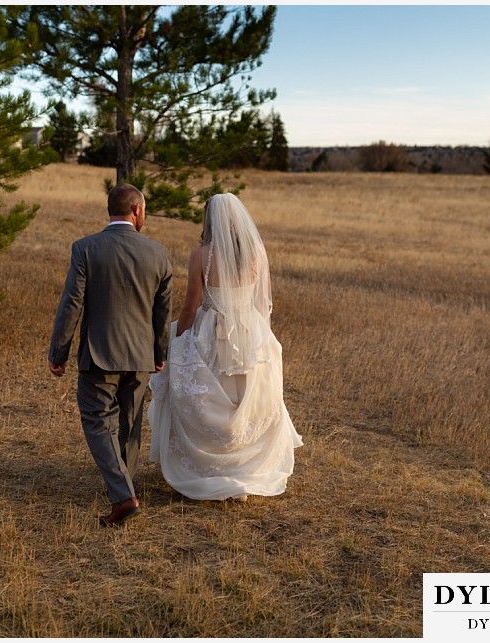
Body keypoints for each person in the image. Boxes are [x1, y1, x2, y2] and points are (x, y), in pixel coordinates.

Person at [148, 193, 302, 501]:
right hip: (248, 331)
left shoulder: (201, 255)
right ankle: (245, 469)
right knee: (247, 399)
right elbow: (261, 304)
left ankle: (211, 468)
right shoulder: (256, 251)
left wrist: (177, 341)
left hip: (211, 331)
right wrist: (258, 334)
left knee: (209, 400)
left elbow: (190, 307)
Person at [49, 183, 173, 527]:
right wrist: (159, 353)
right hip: (140, 356)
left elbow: (71, 303)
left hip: (99, 354)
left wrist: (59, 350)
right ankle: (125, 489)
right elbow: (163, 312)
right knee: (129, 425)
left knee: (96, 421)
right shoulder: (158, 253)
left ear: (111, 211)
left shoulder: (86, 249)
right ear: (136, 211)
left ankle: (123, 496)